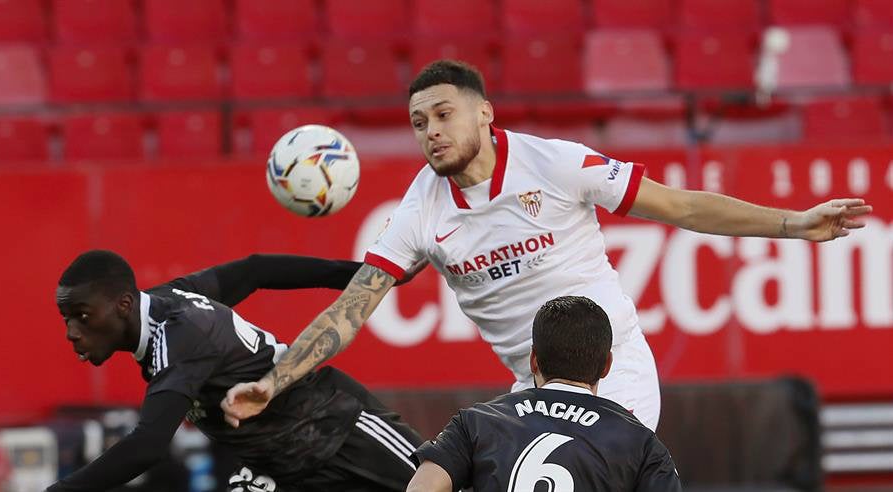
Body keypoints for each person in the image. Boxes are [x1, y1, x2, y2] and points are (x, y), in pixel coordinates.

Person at [221, 60, 873, 432]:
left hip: (613, 377)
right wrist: (274, 382)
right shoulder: (418, 212)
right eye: (419, 122)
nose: (430, 132)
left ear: (484, 113)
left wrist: (792, 223)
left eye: (444, 114)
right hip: (531, 392)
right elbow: (350, 311)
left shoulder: (555, 165)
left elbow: (683, 206)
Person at [48, 251, 423, 492]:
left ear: (123, 304)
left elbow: (147, 445)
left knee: (444, 485)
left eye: (82, 316)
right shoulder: (169, 300)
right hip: (277, 469)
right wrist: (360, 274)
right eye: (67, 318)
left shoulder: (182, 336)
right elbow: (255, 270)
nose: (71, 332)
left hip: (337, 429)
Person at [407, 296, 682, 491]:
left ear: (534, 361)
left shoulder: (476, 422)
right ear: (607, 365)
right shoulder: (640, 442)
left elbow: (423, 486)